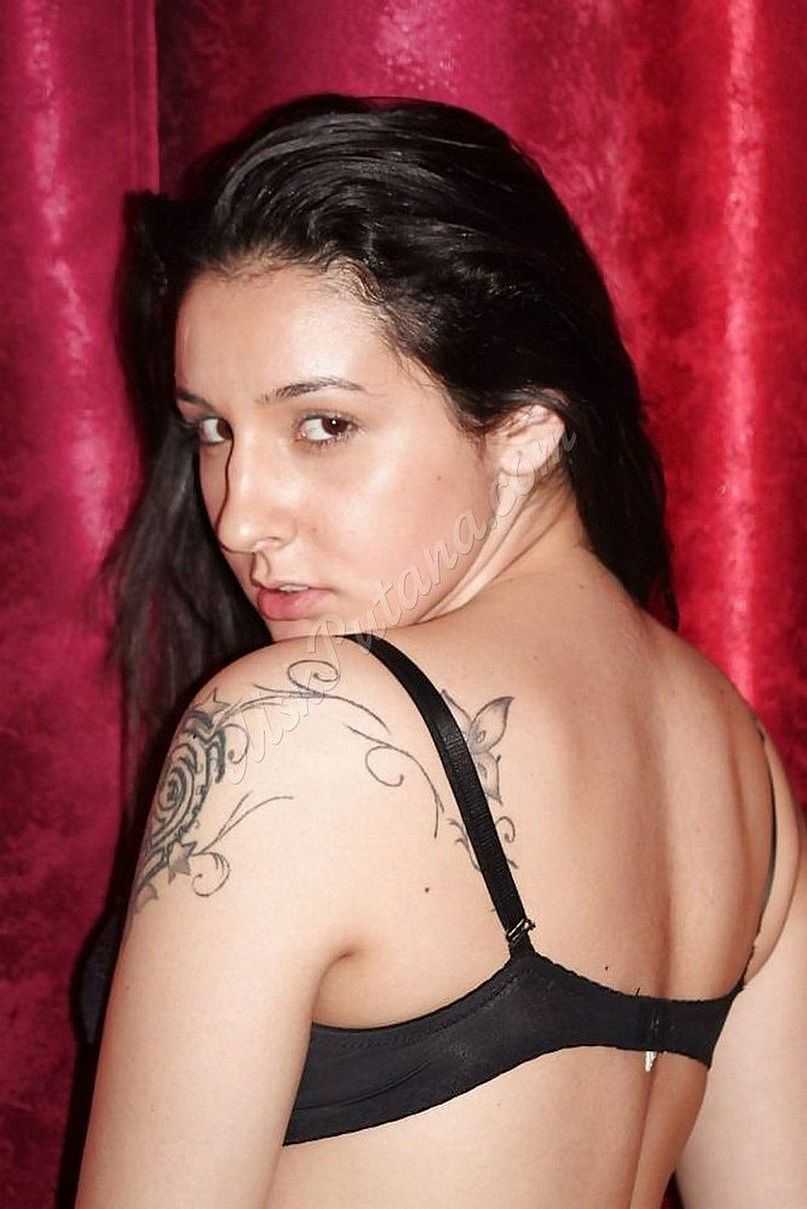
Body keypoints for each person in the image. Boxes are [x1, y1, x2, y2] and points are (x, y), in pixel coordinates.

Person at [75, 94, 806, 1209]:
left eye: (323, 425)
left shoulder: (296, 727)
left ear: (524, 429)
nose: (238, 515)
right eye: (213, 429)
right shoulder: (737, 754)